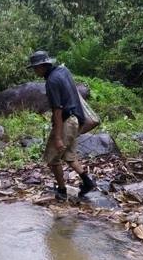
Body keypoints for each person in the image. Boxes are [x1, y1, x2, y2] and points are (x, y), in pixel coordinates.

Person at [27, 50, 95, 201]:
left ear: (43, 66)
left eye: (35, 68)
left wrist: (57, 137)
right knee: (69, 156)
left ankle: (62, 191)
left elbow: (57, 111)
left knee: (53, 159)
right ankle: (88, 182)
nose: (34, 71)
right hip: (76, 118)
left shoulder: (51, 82)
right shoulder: (63, 71)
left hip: (66, 122)